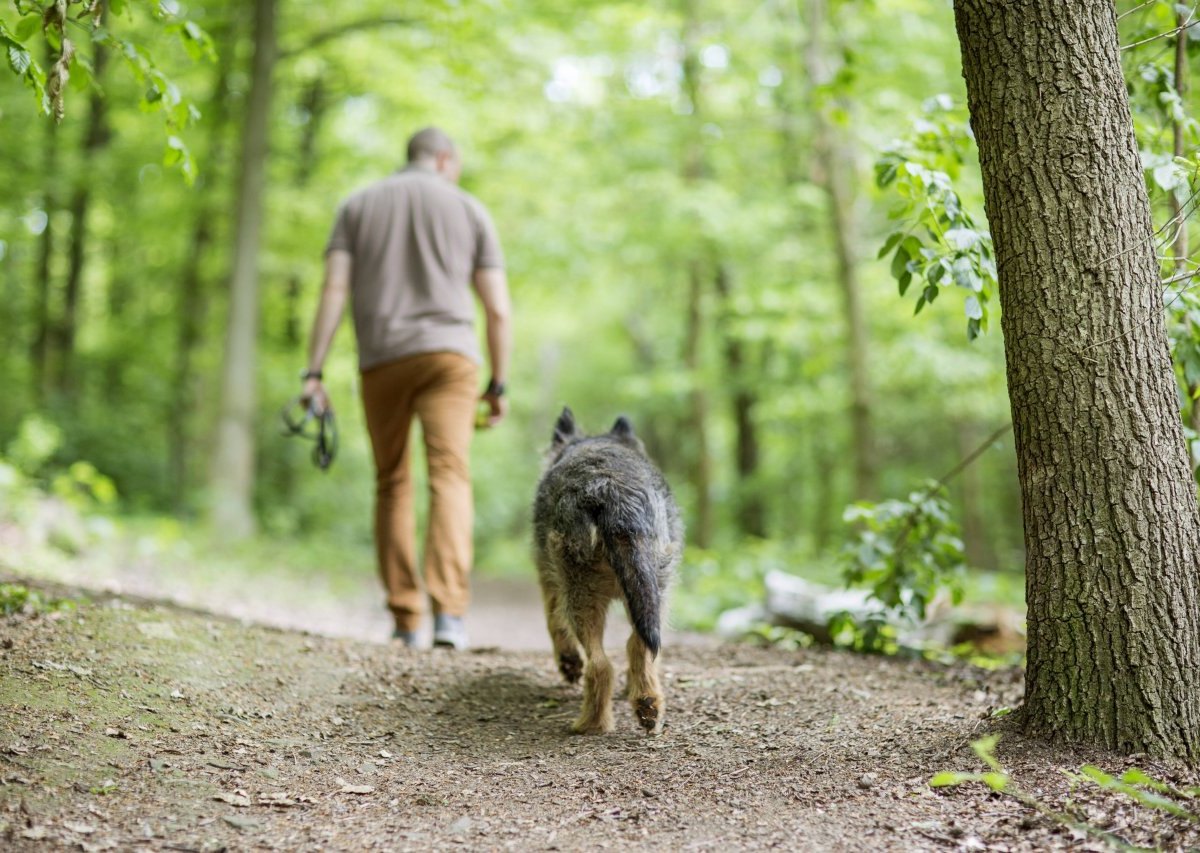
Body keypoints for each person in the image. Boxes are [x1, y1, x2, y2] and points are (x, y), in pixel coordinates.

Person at [301, 127, 512, 650]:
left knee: (392, 481)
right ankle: (450, 617)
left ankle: (404, 617)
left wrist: (314, 371)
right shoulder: (470, 210)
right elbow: (498, 308)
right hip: (451, 358)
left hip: (384, 358)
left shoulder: (357, 206)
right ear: (445, 159)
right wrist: (498, 383)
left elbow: (333, 289)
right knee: (450, 477)